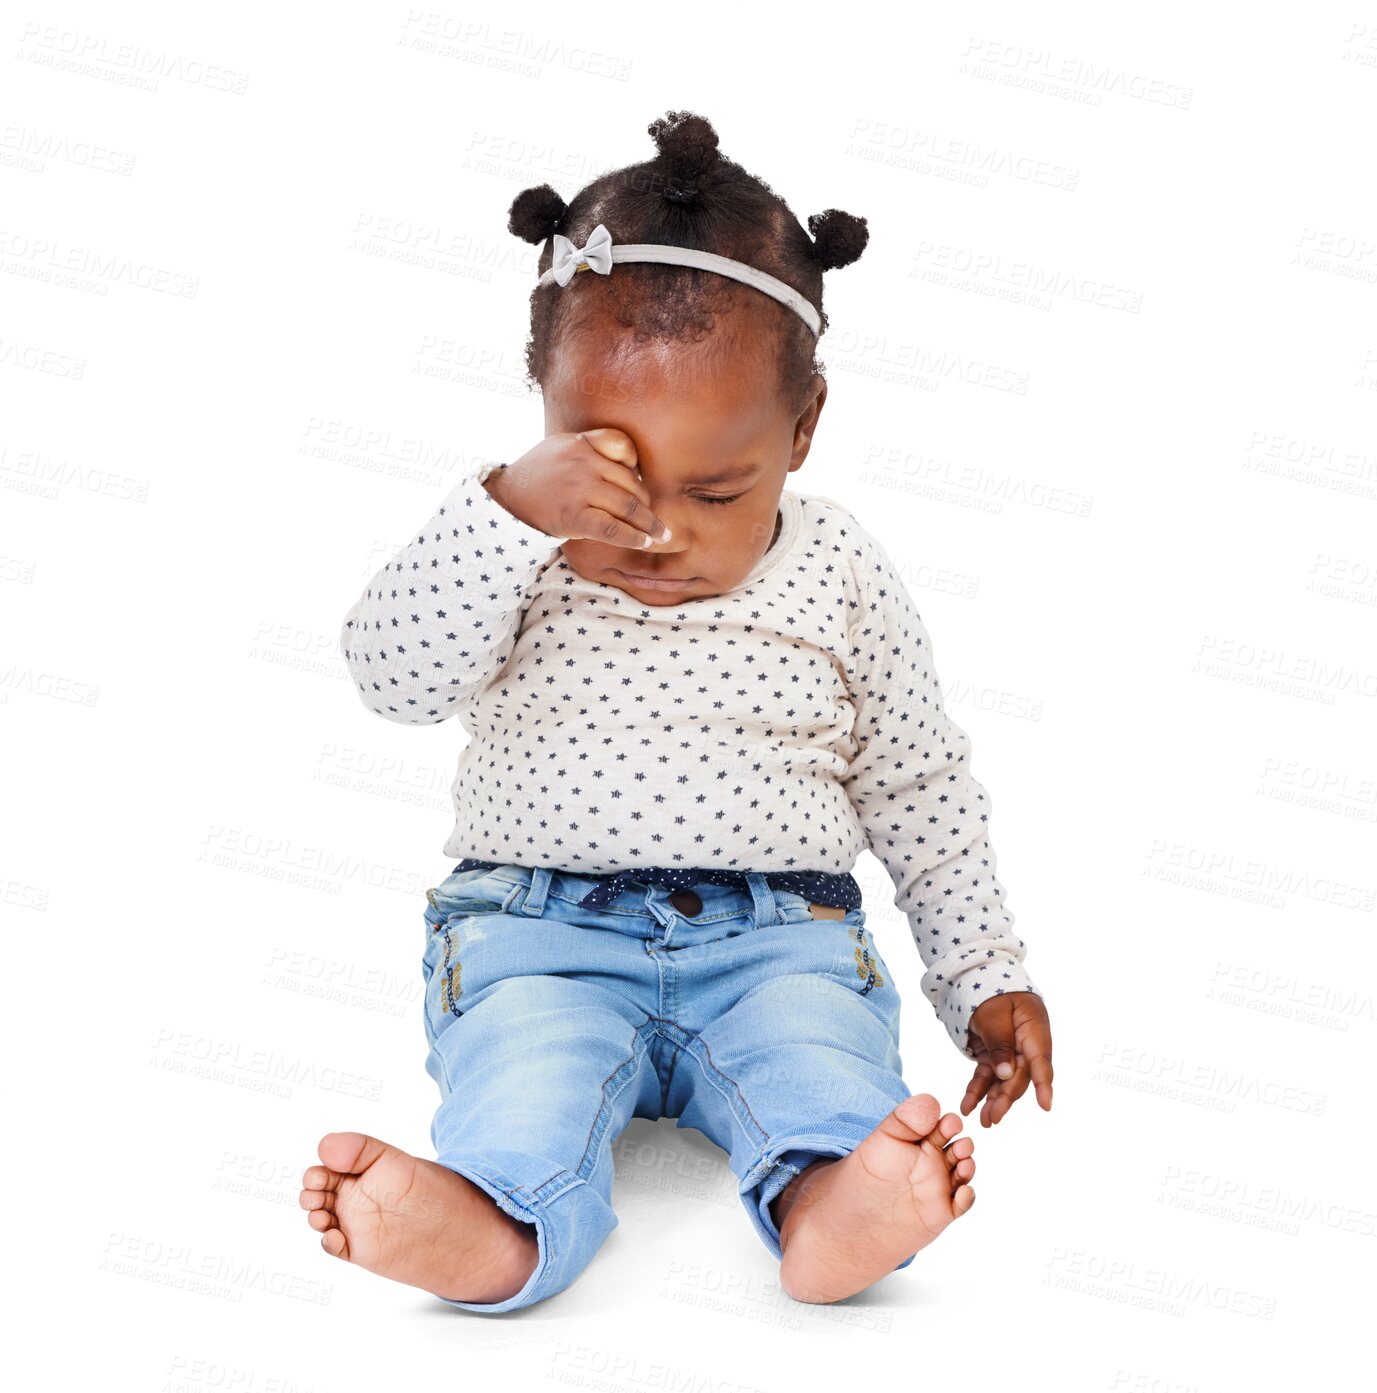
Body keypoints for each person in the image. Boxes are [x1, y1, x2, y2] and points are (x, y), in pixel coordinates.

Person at [299, 110, 1053, 1313]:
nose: (656, 528)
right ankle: (497, 1219)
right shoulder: (514, 544)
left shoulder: (842, 570)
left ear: (802, 431)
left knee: (820, 1065)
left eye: (715, 490)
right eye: (608, 469)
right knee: (525, 1073)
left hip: (779, 941)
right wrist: (505, 510)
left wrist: (982, 975)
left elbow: (918, 783)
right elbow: (390, 678)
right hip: (538, 939)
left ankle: (834, 1206)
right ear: (540, 400)